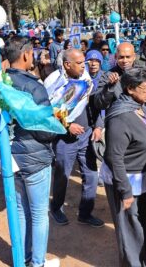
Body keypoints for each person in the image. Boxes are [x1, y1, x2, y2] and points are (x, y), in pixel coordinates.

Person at [6, 37, 60, 267]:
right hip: (34, 156)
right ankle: (37, 263)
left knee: (20, 210)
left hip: (11, 155)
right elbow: (44, 128)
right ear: (26, 55)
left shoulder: (1, 82)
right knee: (38, 214)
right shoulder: (32, 85)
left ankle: (24, 258)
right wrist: (58, 124)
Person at [102, 68, 146, 267]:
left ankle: (145, 259)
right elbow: (114, 157)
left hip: (141, 176)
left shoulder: (139, 106)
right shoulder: (120, 117)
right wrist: (125, 192)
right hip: (125, 180)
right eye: (145, 88)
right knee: (129, 228)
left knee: (143, 221)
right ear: (130, 89)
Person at [44, 49, 104, 228]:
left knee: (92, 175)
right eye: (79, 63)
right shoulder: (54, 82)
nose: (84, 66)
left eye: (84, 62)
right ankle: (56, 208)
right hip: (64, 139)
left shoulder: (86, 79)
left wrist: (98, 126)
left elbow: (95, 105)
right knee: (62, 176)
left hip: (87, 136)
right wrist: (67, 126)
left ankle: (85, 213)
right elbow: (48, 111)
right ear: (67, 64)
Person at [94, 42, 146, 114]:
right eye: (121, 57)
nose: (125, 61)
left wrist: (145, 112)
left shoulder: (145, 73)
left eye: (128, 57)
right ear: (116, 57)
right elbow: (100, 104)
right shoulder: (108, 76)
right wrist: (109, 88)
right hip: (118, 119)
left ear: (134, 56)